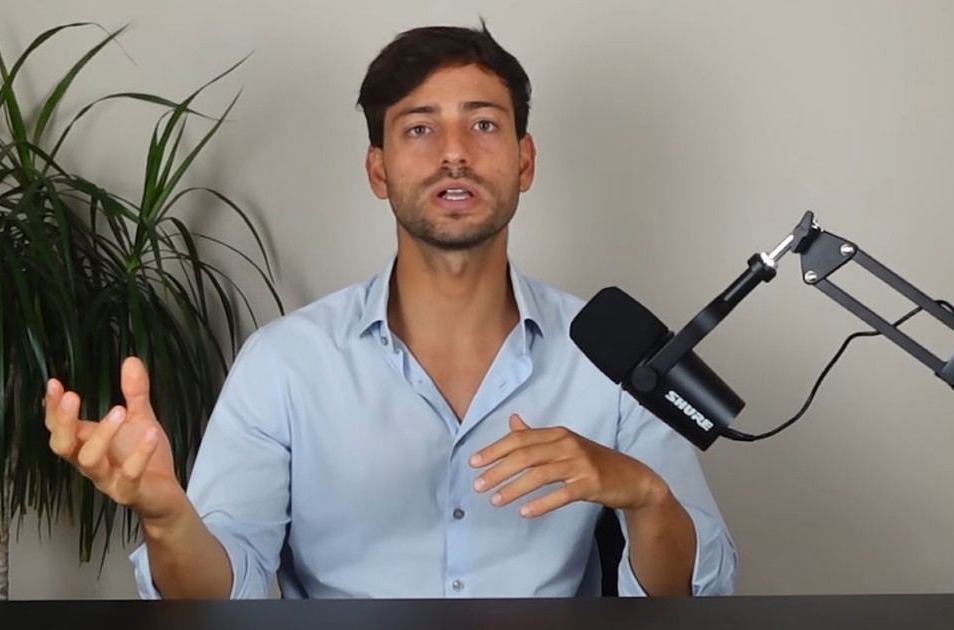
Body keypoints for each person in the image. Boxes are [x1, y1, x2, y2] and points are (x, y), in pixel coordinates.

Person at [43, 21, 737, 600]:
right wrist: (167, 519)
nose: (455, 153)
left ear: (524, 162)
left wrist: (645, 495)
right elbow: (219, 598)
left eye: (484, 124)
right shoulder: (285, 364)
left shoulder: (613, 356)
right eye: (419, 129)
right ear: (378, 170)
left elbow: (695, 593)